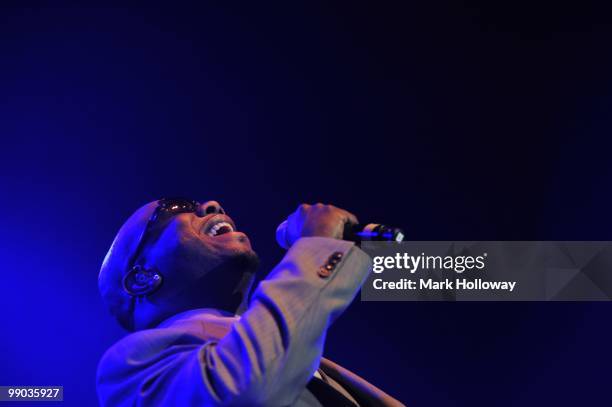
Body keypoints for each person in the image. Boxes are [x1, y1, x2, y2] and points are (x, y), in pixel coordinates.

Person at [97, 198, 404, 406]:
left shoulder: (306, 355)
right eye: (177, 207)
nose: (213, 204)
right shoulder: (130, 367)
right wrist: (318, 247)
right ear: (142, 277)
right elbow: (245, 393)